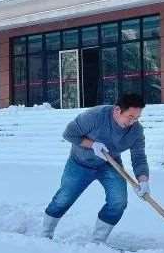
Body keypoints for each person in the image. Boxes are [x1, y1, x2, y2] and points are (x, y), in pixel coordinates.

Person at [40, 93, 148, 244]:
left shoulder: (136, 131)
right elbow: (69, 133)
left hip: (110, 165)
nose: (133, 122)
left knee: (119, 201)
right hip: (80, 163)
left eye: (137, 117)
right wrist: (92, 144)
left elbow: (139, 157)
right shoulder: (95, 116)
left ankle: (97, 243)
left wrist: (143, 180)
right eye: (130, 117)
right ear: (117, 110)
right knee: (64, 199)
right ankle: (45, 235)